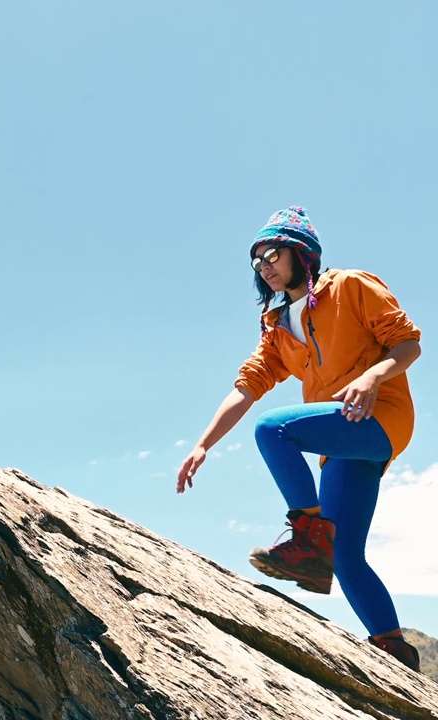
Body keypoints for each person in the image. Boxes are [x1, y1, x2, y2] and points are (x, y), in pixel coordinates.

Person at [176, 206, 423, 672]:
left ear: (301, 252)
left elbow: (408, 343)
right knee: (346, 556)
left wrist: (372, 378)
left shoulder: (350, 285)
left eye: (271, 253)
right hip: (342, 445)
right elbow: (247, 386)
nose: (264, 266)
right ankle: (396, 651)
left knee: (275, 429)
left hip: (381, 416)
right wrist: (203, 443)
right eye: (256, 261)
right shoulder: (276, 327)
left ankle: (308, 540)